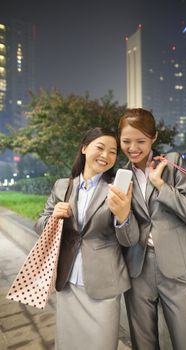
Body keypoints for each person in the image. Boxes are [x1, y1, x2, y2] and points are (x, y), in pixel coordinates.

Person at [35, 127, 139, 350]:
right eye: (100, 148)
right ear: (84, 148)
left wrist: (124, 216)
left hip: (104, 284)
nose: (106, 156)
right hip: (69, 279)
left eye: (112, 152)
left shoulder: (117, 189)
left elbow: (130, 240)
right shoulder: (63, 186)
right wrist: (53, 217)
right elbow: (40, 224)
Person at [118, 108, 186, 350]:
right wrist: (122, 217)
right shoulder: (121, 175)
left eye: (141, 141)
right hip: (138, 269)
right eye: (126, 141)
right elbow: (126, 235)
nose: (133, 148)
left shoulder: (172, 162)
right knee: (143, 344)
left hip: (177, 267)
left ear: (154, 138)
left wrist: (160, 184)